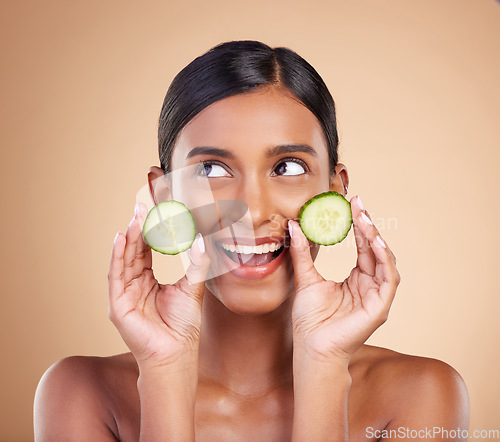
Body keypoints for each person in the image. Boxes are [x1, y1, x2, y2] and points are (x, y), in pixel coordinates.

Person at [34, 40, 469, 441]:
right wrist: (164, 367)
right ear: (162, 195)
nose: (254, 211)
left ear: (335, 192)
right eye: (211, 170)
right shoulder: (79, 393)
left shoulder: (422, 394)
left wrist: (324, 363)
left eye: (288, 167)